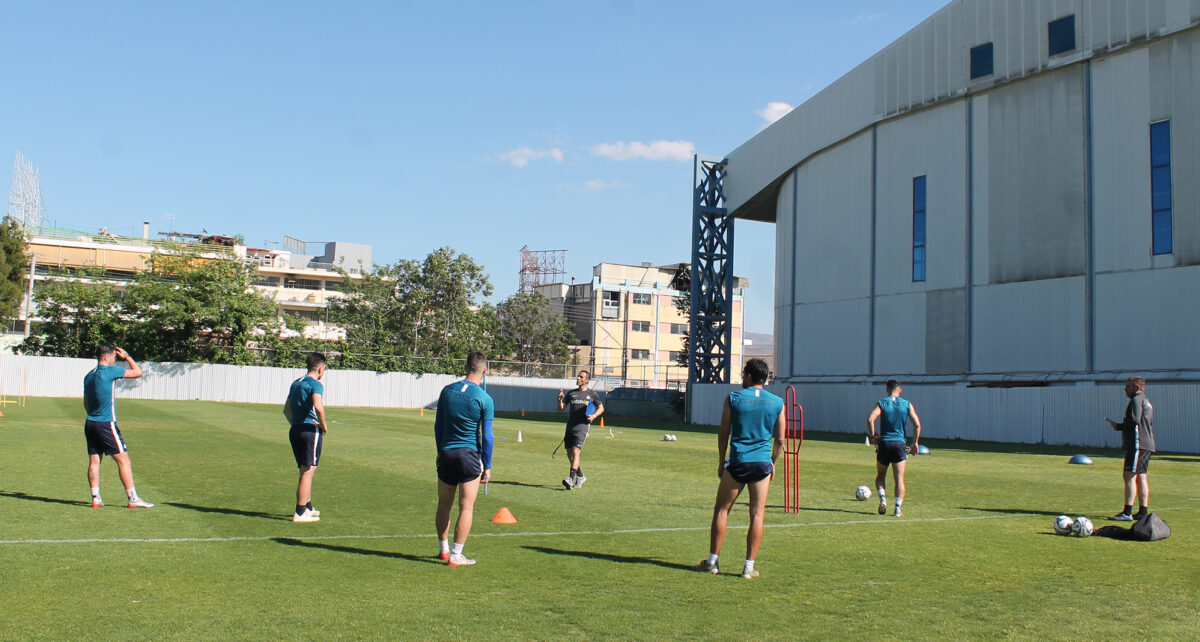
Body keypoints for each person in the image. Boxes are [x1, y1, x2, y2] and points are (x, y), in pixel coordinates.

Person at [695, 358, 784, 579]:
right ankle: (748, 567)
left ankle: (712, 562)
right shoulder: (777, 402)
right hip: (762, 464)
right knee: (757, 514)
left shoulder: (734, 398)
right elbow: (781, 440)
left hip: (738, 462)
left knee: (722, 510)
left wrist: (720, 461)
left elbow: (723, 432)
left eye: (744, 374)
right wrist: (773, 463)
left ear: (749, 376)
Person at [434, 351, 495, 566]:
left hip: (447, 453)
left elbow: (438, 426)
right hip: (469, 455)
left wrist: (440, 451)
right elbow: (487, 437)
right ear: (484, 370)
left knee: (444, 504)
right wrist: (487, 465)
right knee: (466, 507)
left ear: (466, 367)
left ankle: (443, 548)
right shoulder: (484, 398)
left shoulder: (447, 391)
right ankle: (456, 554)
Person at [83, 345, 153, 509]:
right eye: (114, 357)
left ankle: (96, 498)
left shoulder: (88, 376)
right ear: (106, 357)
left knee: (94, 461)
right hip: (106, 423)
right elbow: (138, 372)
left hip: (90, 423)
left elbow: (86, 402)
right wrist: (127, 356)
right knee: (124, 461)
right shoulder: (110, 371)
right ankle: (133, 498)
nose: (115, 359)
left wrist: (93, 415)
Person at [866, 379, 922, 518]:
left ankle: (883, 499)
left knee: (881, 475)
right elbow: (916, 425)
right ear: (900, 390)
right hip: (899, 444)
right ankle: (897, 508)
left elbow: (870, 419)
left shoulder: (882, 403)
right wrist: (915, 443)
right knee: (899, 478)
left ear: (887, 389)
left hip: (884, 443)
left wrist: (873, 437)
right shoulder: (906, 404)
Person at [284, 352, 328, 523]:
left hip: (295, 429)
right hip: (310, 430)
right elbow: (318, 405)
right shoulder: (315, 384)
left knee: (304, 469)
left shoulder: (296, 383)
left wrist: (296, 424)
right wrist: (323, 425)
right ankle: (300, 511)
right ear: (320, 368)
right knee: (308, 470)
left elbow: (286, 410)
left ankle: (308, 506)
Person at [1105, 376, 1155, 521]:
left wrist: (1118, 426)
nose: (1125, 389)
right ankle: (1142, 512)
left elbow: (1133, 422)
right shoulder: (1147, 401)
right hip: (1147, 443)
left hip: (1137, 444)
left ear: (1137, 387)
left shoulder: (1136, 400)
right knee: (1142, 476)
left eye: (1128, 386)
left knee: (1129, 476)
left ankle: (1127, 512)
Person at [556, 370, 604, 489]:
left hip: (582, 427)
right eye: (578, 376)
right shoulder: (572, 393)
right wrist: (559, 399)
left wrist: (594, 416)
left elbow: (601, 408)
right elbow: (561, 408)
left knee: (576, 452)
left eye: (581, 377)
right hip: (570, 426)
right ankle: (581, 475)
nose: (578, 378)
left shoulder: (592, 394)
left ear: (587, 380)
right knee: (569, 454)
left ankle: (570, 479)